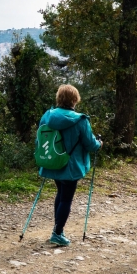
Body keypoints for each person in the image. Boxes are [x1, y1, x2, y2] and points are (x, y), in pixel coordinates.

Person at [38, 84, 102, 247]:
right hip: (71, 165)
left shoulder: (47, 116)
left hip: (53, 162)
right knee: (66, 198)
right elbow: (90, 144)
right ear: (74, 100)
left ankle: (57, 229)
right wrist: (99, 144)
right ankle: (57, 233)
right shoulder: (80, 120)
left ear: (59, 98)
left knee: (60, 194)